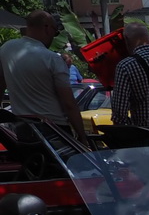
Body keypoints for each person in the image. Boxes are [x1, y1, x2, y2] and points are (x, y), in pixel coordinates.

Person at [0, 10, 87, 140]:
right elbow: (69, 104)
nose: (54, 36)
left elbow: (1, 85)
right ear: (47, 28)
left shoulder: (6, 49)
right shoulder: (52, 59)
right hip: (54, 128)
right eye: (55, 31)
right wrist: (83, 137)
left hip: (23, 128)